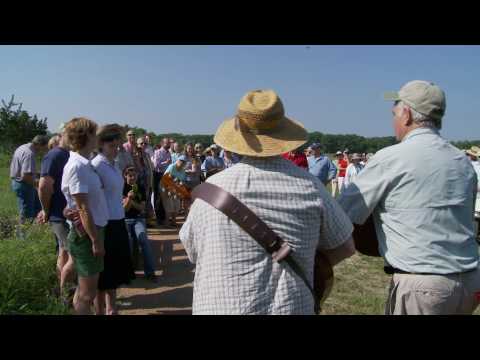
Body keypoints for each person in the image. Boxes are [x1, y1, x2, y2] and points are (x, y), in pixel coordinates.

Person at [180, 89, 355, 315]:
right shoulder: (311, 187)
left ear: (238, 135)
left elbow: (192, 251)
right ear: (283, 135)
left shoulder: (209, 192)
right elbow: (346, 246)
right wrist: (306, 258)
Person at [338, 80, 480, 315]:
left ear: (406, 115)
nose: (393, 120)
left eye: (394, 113)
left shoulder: (391, 158)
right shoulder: (461, 160)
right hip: (469, 280)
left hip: (423, 287)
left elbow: (342, 213)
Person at [61, 117, 107, 315]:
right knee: (87, 294)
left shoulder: (85, 164)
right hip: (88, 235)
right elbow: (82, 208)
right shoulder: (77, 166)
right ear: (85, 136)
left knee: (85, 290)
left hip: (91, 231)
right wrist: (95, 240)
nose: (97, 137)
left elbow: (74, 204)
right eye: (94, 133)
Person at [91, 124, 136, 315]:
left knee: (115, 271)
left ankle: (112, 308)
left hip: (118, 220)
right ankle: (101, 310)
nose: (116, 148)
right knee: (104, 274)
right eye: (112, 145)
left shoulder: (114, 164)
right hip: (104, 223)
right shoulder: (96, 166)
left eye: (118, 145)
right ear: (101, 145)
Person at [37, 127, 75, 300]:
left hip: (67, 214)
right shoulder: (54, 155)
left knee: (63, 252)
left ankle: (62, 290)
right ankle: (66, 295)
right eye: (71, 135)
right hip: (59, 215)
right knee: (73, 253)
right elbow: (44, 186)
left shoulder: (68, 155)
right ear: (62, 136)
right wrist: (46, 210)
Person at [123, 167, 158, 281]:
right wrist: (128, 198)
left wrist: (130, 201)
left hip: (138, 219)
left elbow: (141, 208)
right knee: (127, 241)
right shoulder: (121, 188)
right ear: (125, 176)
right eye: (130, 176)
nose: (132, 178)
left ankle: (150, 272)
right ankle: (128, 272)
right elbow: (124, 210)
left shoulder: (141, 188)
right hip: (125, 220)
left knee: (143, 239)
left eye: (134, 175)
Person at [10, 135, 49, 226]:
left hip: (19, 182)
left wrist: (38, 174)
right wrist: (39, 184)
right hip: (24, 184)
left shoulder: (22, 147)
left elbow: (25, 171)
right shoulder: (29, 154)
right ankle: (23, 235)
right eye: (44, 147)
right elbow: (26, 176)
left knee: (37, 207)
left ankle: (36, 229)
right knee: (27, 212)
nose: (43, 150)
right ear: (39, 144)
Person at [161, 155, 188, 227]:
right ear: (178, 160)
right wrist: (167, 191)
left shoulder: (183, 170)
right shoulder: (172, 167)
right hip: (165, 186)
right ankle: (166, 222)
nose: (182, 163)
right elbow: (165, 179)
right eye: (181, 161)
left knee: (177, 204)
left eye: (184, 162)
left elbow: (182, 182)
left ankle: (173, 221)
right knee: (169, 205)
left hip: (175, 189)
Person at [152, 138, 172, 225]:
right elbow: (156, 165)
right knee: (158, 196)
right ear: (162, 143)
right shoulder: (158, 152)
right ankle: (158, 218)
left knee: (164, 197)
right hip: (158, 175)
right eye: (167, 143)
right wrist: (165, 162)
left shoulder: (169, 153)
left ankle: (163, 217)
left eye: (169, 143)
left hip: (166, 176)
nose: (168, 145)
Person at [135, 136, 154, 221]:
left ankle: (147, 220)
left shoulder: (147, 155)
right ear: (137, 144)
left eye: (145, 143)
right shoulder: (135, 155)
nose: (143, 145)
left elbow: (150, 168)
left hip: (148, 183)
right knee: (140, 202)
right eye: (141, 143)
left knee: (147, 202)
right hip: (139, 184)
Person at [466, 146, 480, 241]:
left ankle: (474, 236)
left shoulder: (468, 165)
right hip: (476, 192)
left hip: (473, 192)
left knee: (475, 216)